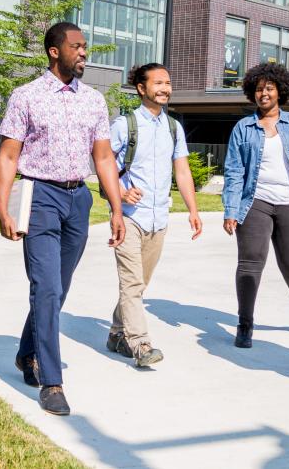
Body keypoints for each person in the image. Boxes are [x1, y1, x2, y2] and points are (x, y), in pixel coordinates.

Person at [0, 22, 125, 416]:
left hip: (78, 200)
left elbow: (103, 158)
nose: (84, 53)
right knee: (47, 288)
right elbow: (8, 155)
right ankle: (51, 381)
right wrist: (2, 207)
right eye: (77, 46)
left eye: (85, 47)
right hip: (40, 198)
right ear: (55, 51)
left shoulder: (94, 101)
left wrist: (116, 208)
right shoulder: (26, 97)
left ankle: (25, 350)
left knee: (58, 287)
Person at [222, 62, 289, 349]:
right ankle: (245, 323)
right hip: (255, 201)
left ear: (280, 91)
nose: (263, 94)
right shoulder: (243, 128)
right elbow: (234, 172)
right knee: (250, 262)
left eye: (269, 88)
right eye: (258, 89)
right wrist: (231, 210)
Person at [104, 63, 203, 367]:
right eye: (158, 83)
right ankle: (141, 344)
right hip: (130, 217)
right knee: (132, 284)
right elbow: (102, 162)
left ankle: (117, 332)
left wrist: (193, 209)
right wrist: (120, 192)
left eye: (168, 83)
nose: (164, 88)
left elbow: (182, 170)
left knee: (140, 284)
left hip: (159, 219)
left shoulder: (174, 127)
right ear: (141, 88)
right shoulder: (125, 125)